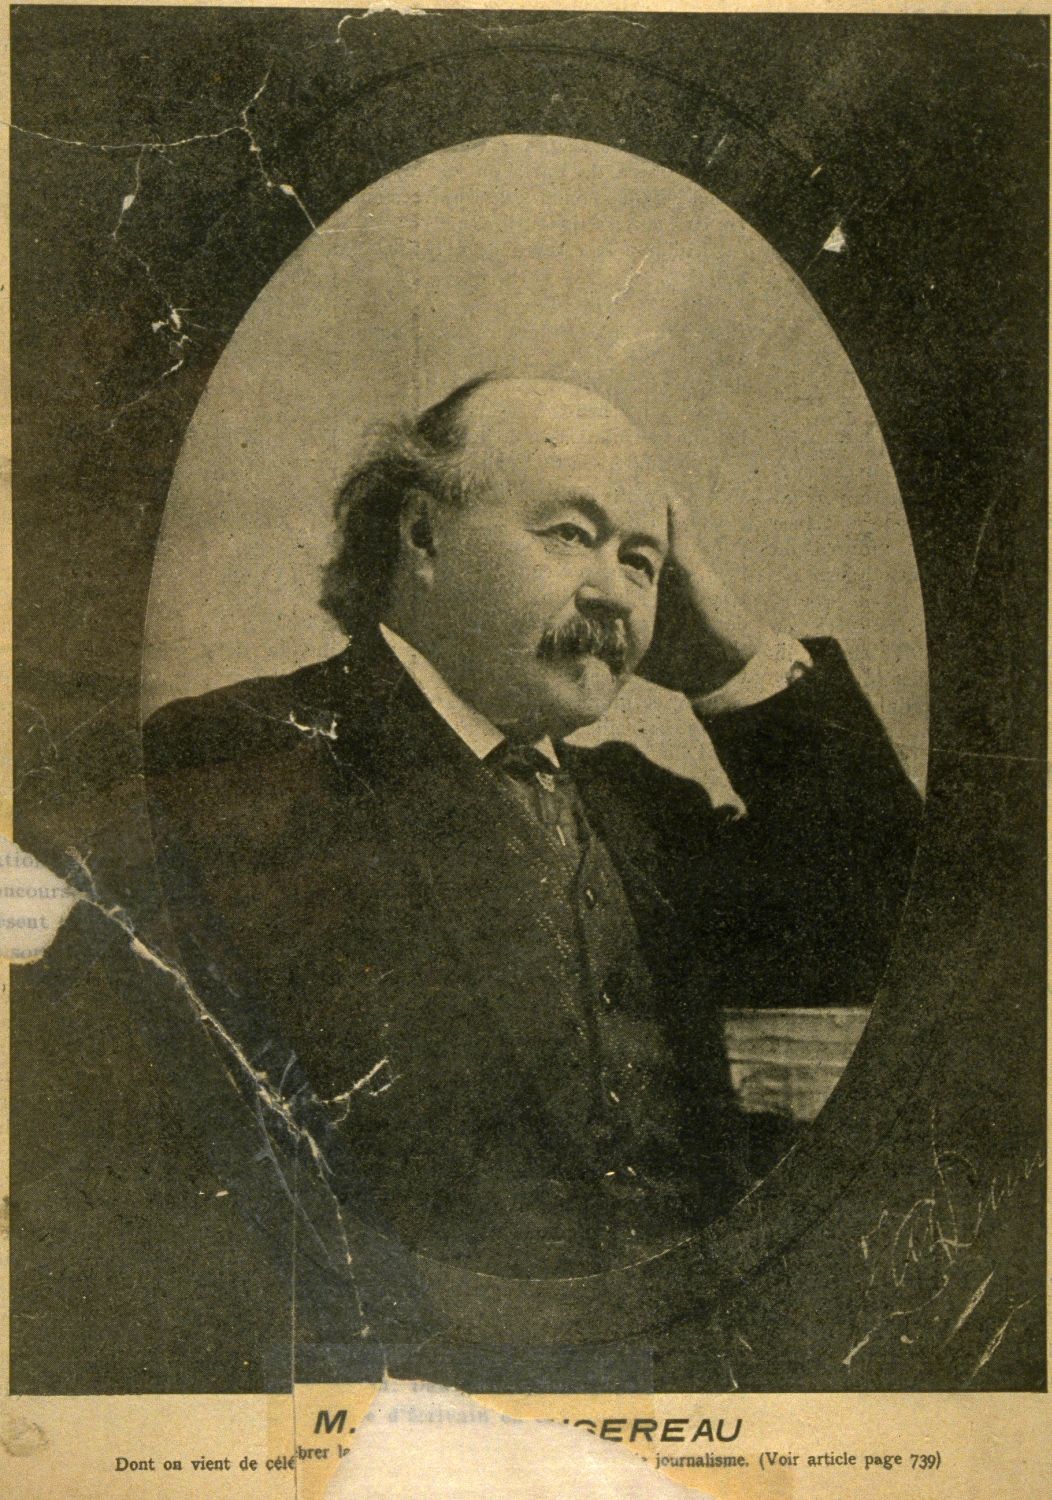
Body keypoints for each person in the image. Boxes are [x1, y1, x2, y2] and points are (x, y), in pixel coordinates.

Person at [144, 375, 921, 1280]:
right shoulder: (234, 761)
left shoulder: (644, 810)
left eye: (643, 563)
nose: (616, 595)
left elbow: (889, 919)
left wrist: (732, 661)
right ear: (422, 535)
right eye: (570, 534)